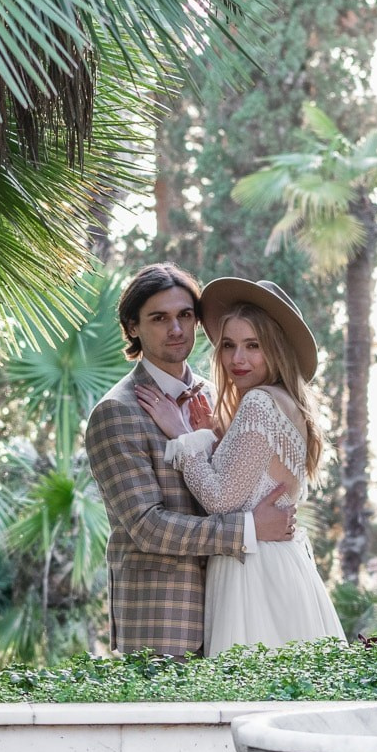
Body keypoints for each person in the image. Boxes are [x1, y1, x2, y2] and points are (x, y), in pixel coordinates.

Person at [84, 264, 293, 657]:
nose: (176, 329)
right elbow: (147, 526)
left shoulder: (221, 396)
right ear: (132, 327)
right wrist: (249, 530)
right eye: (159, 318)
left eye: (185, 315)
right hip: (163, 620)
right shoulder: (117, 412)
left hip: (237, 601)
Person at [148, 277, 344, 655]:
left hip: (254, 571)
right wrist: (212, 437)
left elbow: (221, 499)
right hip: (279, 564)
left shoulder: (259, 403)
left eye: (253, 346)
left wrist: (183, 434)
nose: (237, 359)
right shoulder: (284, 402)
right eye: (229, 346)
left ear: (277, 350)